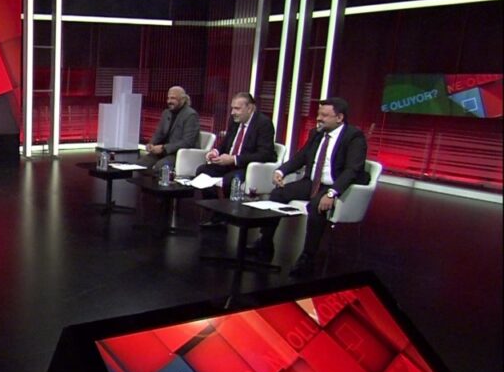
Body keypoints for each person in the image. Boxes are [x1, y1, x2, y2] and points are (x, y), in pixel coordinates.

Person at [248, 97, 370, 277]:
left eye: (324, 115)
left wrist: (332, 193)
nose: (319, 118)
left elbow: (352, 170)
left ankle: (308, 257)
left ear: (339, 118)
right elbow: (301, 157)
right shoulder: (317, 133)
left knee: (316, 206)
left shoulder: (354, 137)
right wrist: (282, 171)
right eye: (319, 114)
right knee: (278, 194)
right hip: (312, 183)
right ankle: (265, 241)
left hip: (334, 184)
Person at [197, 92, 276, 226]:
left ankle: (230, 217)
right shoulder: (234, 121)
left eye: (237, 109)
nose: (233, 112)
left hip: (247, 167)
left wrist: (234, 159)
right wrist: (215, 152)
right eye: (232, 108)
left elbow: (265, 154)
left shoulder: (263, 123)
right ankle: (216, 213)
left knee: (231, 179)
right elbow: (226, 143)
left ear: (250, 108)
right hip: (229, 163)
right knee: (203, 170)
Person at [136, 86, 201, 172]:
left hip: (179, 154)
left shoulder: (190, 115)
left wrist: (164, 148)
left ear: (182, 99)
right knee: (140, 164)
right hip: (164, 152)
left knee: (161, 167)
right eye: (168, 98)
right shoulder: (166, 113)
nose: (169, 101)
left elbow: (187, 142)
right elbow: (159, 133)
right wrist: (152, 143)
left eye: (173, 98)